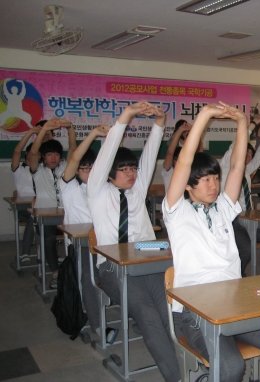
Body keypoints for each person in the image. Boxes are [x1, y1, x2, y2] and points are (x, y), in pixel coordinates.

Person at [164, 102, 260, 381]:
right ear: (188, 186)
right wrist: (204, 116)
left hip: (234, 305)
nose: (213, 185)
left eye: (215, 178)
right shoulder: (176, 212)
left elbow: (238, 165)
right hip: (195, 311)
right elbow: (183, 161)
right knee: (232, 367)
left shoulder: (224, 209)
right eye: (204, 180)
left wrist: (242, 122)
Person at [87, 102, 180, 381]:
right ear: (109, 173)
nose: (132, 173)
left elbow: (150, 155)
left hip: (144, 253)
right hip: (111, 264)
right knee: (147, 313)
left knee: (170, 309)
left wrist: (161, 123)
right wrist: (125, 118)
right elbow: (105, 155)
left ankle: (196, 363)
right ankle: (177, 376)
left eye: (132, 168)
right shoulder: (97, 192)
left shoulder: (137, 191)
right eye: (124, 169)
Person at [59, 124, 112, 340]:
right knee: (89, 280)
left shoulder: (101, 188)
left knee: (117, 276)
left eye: (92, 168)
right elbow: (73, 159)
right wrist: (93, 135)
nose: (88, 173)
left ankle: (132, 313)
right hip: (80, 244)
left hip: (103, 242)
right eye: (84, 168)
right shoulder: (69, 186)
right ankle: (98, 327)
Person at [220, 119, 260, 275]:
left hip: (251, 219)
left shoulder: (247, 170)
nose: (248, 156)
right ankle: (237, 275)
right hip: (234, 221)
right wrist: (252, 126)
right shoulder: (226, 167)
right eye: (245, 152)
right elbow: (235, 146)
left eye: (249, 153)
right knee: (246, 249)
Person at [28, 118, 76, 288]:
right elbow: (33, 153)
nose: (53, 157)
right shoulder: (37, 170)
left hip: (65, 213)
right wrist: (44, 130)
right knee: (48, 240)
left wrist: (70, 128)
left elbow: (72, 149)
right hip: (45, 215)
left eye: (56, 154)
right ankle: (55, 273)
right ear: (44, 157)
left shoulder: (65, 166)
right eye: (49, 154)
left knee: (76, 239)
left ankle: (75, 272)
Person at [10, 122, 51, 263]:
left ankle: (44, 255)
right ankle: (25, 253)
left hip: (40, 205)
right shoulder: (18, 169)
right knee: (33, 219)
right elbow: (16, 151)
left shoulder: (41, 170)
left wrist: (46, 134)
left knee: (39, 218)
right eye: (31, 154)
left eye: (38, 154)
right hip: (24, 207)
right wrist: (31, 132)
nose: (33, 156)